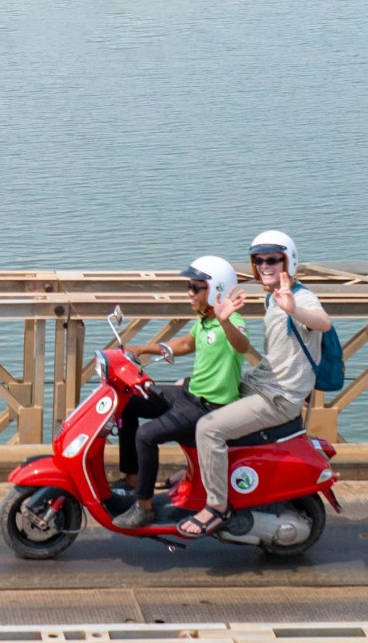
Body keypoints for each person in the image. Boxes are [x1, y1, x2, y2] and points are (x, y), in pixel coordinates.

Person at [185, 229, 327, 538]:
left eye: (273, 259)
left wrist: (294, 309)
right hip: (262, 384)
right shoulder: (272, 297)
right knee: (195, 397)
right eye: (258, 260)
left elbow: (323, 322)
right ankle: (198, 477)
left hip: (278, 398)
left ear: (289, 261)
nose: (265, 266)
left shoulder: (300, 297)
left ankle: (217, 507)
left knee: (208, 428)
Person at [111, 256, 254, 529]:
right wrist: (142, 349)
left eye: (196, 287)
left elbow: (242, 345)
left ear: (216, 290)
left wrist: (225, 320)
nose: (189, 292)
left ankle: (144, 507)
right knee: (128, 402)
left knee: (146, 435)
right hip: (189, 393)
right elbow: (187, 343)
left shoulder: (230, 322)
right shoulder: (203, 319)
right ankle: (132, 479)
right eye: (189, 286)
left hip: (208, 406)